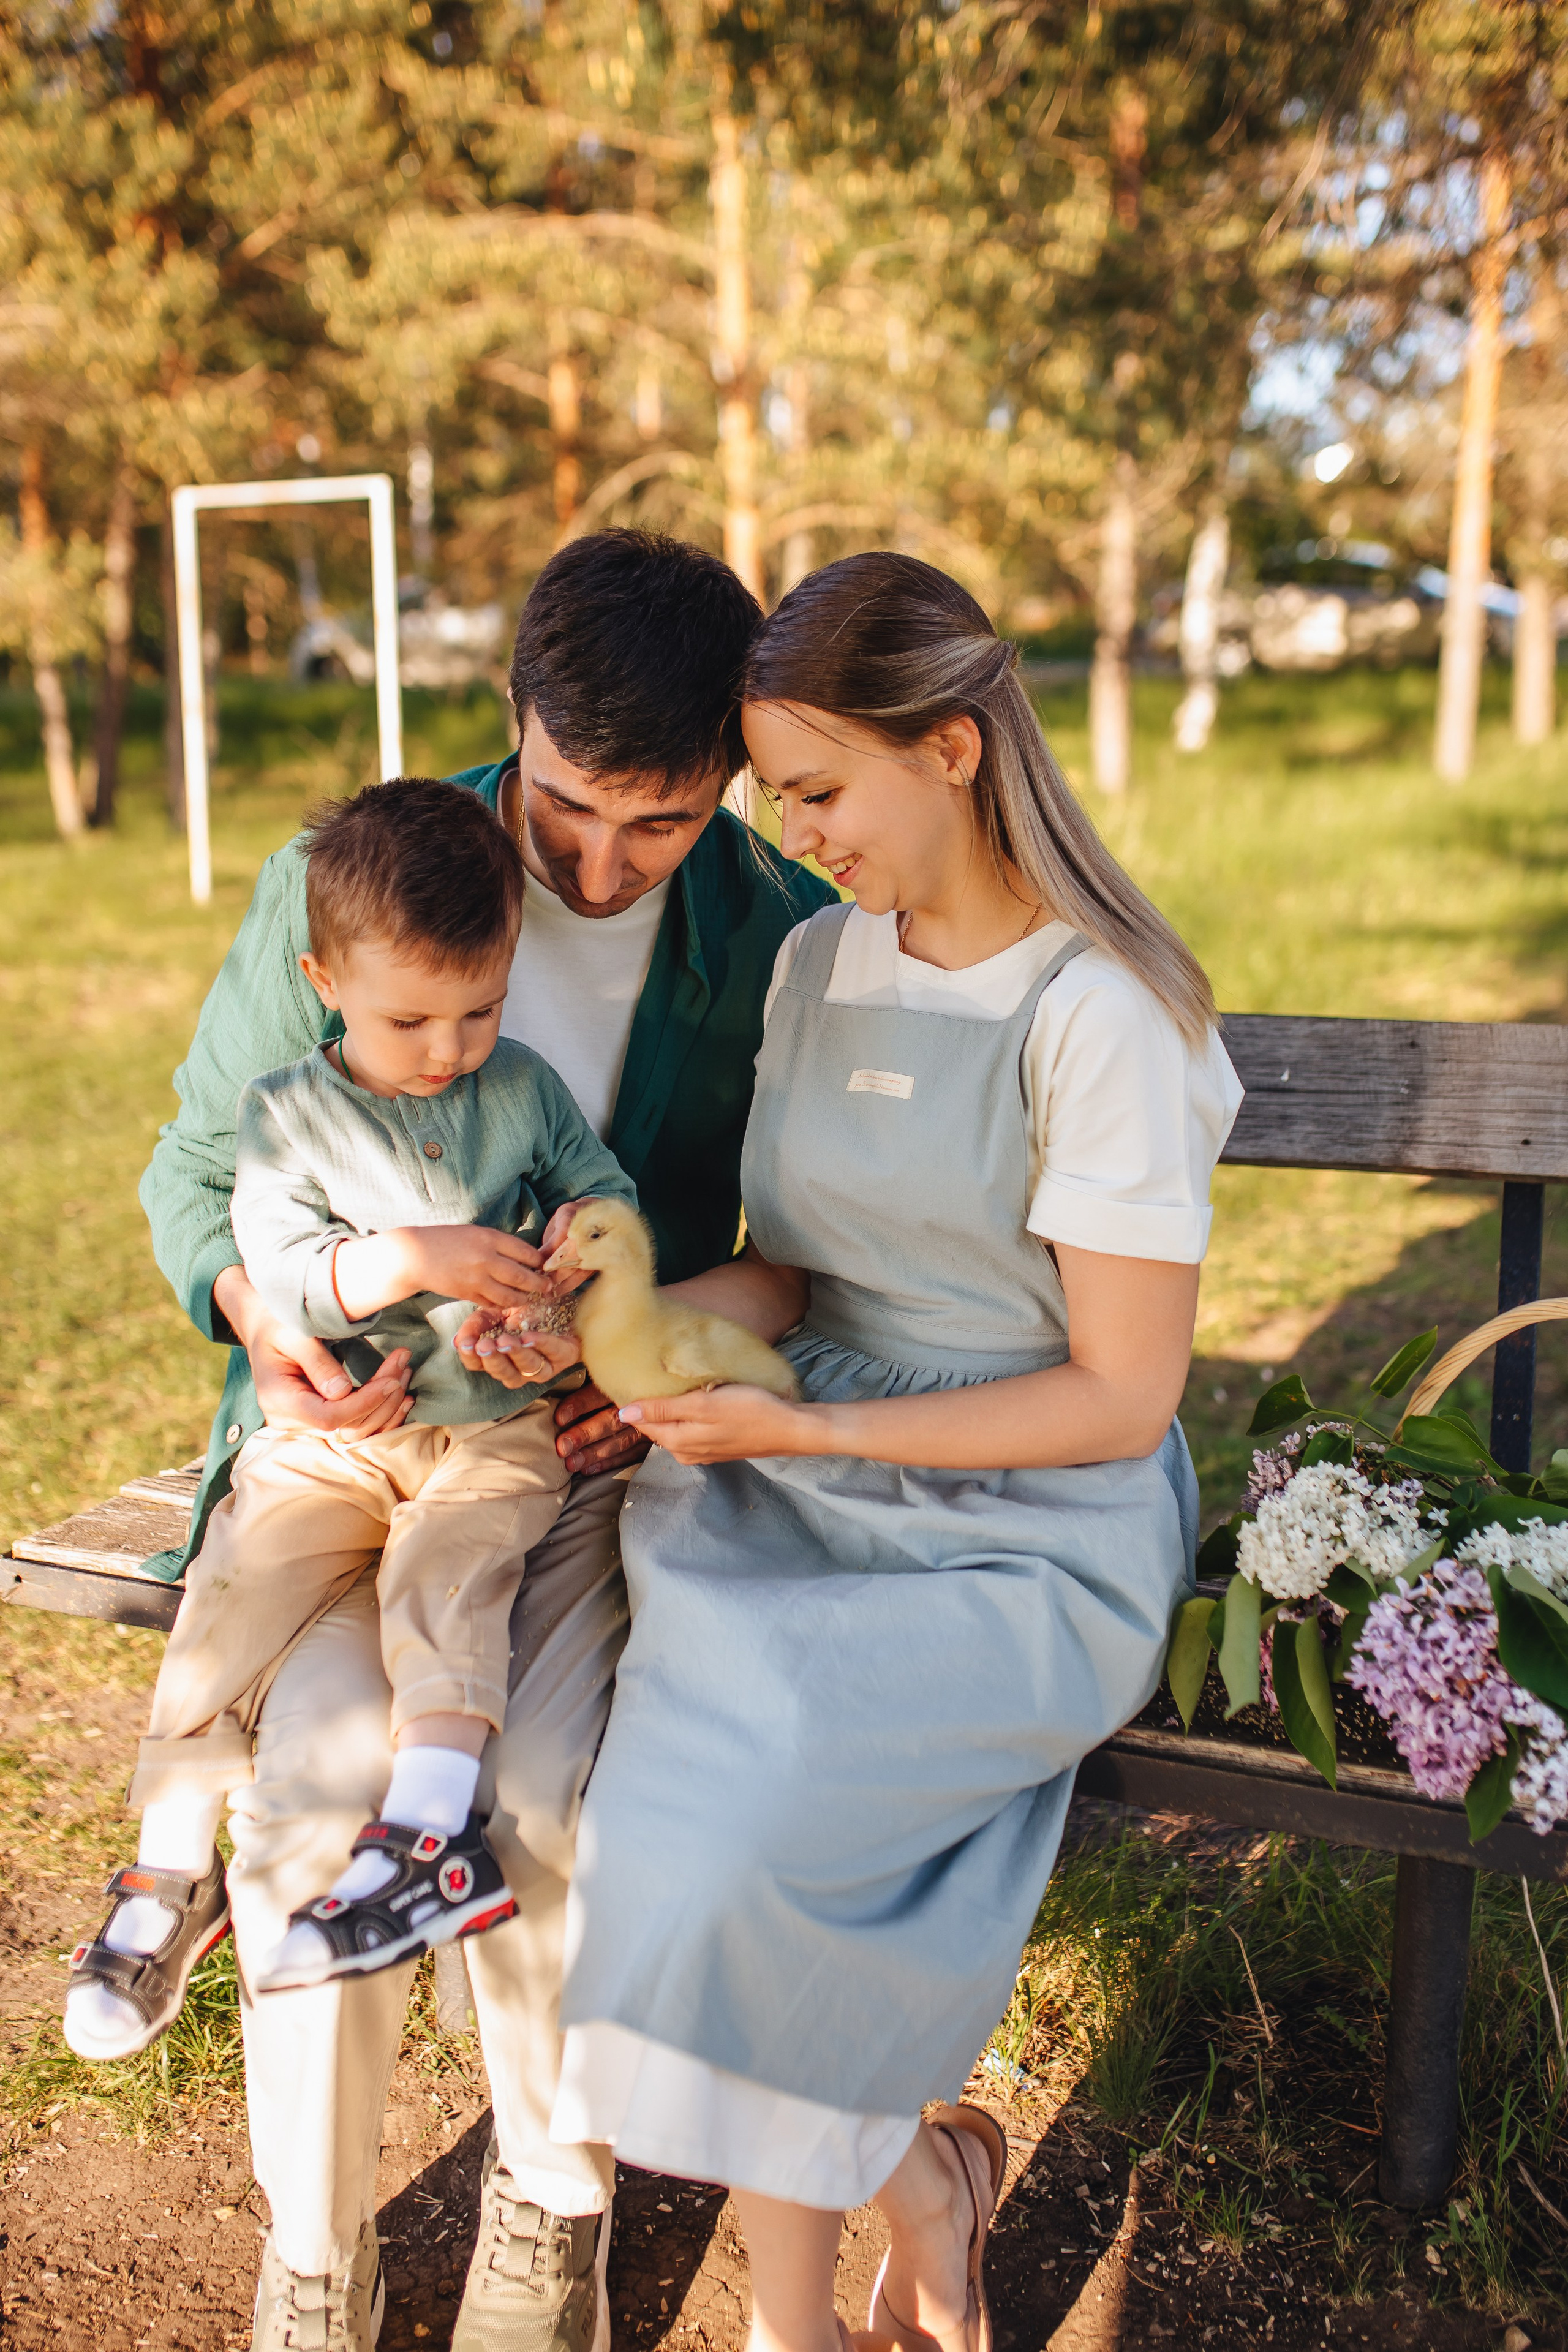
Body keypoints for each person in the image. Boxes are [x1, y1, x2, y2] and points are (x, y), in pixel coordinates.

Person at [135, 530, 831, 2351]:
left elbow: (815, 1257)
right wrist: (263, 1319)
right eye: (571, 808)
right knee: (305, 1795)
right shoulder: (364, 879)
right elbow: (196, 1176)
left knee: (530, 1800)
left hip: (580, 1464)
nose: (603, 871)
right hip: (347, 1457)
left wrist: (651, 1338)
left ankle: (554, 2195)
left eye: (662, 825)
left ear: (728, 788)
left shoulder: (777, 939)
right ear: (509, 720)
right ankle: (312, 2252)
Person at [548, 552, 1244, 2352]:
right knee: (673, 1832)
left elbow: (1122, 1398)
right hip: (795, 1484)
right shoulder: (817, 959)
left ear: (948, 748)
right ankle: (898, 2209)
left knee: (756, 1829)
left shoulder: (1104, 1017)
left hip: (1032, 1514)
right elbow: (788, 1267)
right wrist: (600, 1321)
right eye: (779, 796)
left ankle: (844, 2272)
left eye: (819, 791)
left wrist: (814, 1427)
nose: (799, 831)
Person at [67, 780, 637, 2062]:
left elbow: (603, 1193)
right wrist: (412, 1260)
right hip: (345, 1430)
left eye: (480, 1010)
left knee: (460, 1575)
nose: (448, 1048)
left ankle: (425, 1839)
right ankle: (166, 1864)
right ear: (324, 977)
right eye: (410, 1018)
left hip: (494, 1428)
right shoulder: (288, 1114)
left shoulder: (524, 1091)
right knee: (241, 1583)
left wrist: (569, 1267)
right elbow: (288, 1270)